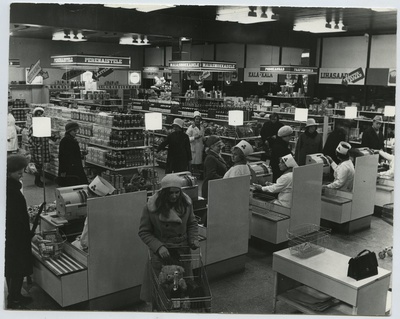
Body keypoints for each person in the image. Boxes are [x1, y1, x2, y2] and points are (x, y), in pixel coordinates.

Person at [138, 174, 200, 303]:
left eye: (177, 192)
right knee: (161, 291)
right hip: (161, 255)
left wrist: (193, 239)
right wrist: (159, 246)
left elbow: (192, 223)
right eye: (171, 193)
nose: (174, 196)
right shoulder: (151, 207)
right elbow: (144, 232)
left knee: (183, 290)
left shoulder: (186, 204)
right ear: (164, 193)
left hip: (182, 251)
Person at [5, 155, 42, 309]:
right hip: (16, 237)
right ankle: (14, 299)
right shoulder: (11, 191)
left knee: (12, 267)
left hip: (11, 235)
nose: (21, 177)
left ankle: (14, 295)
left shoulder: (10, 187)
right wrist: (30, 236)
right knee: (17, 267)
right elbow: (17, 220)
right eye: (19, 174)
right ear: (9, 172)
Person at [58, 121, 88, 186]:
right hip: (70, 168)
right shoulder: (65, 141)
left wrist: (81, 154)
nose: (76, 133)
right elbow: (62, 157)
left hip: (75, 167)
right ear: (69, 131)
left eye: (76, 130)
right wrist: (63, 171)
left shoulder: (72, 140)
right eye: (74, 131)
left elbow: (73, 153)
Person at [28, 107, 51, 187]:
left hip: (43, 147)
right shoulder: (33, 126)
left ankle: (38, 180)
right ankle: (37, 180)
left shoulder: (44, 125)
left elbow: (47, 135)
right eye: (38, 115)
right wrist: (32, 149)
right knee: (37, 165)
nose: (40, 116)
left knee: (41, 165)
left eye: (41, 114)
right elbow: (30, 139)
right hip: (37, 148)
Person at [201, 135, 228, 199]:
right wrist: (226, 179)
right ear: (212, 147)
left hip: (216, 187)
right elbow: (211, 175)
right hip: (211, 189)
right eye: (218, 146)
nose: (220, 148)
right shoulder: (210, 158)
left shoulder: (217, 155)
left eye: (221, 146)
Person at [186, 111, 204, 176]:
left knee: (198, 162)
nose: (198, 120)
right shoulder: (191, 128)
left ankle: (196, 173)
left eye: (199, 119)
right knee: (192, 162)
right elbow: (186, 139)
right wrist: (194, 138)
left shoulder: (202, 127)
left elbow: (202, 136)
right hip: (193, 148)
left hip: (199, 147)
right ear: (194, 119)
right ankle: (191, 174)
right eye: (196, 119)